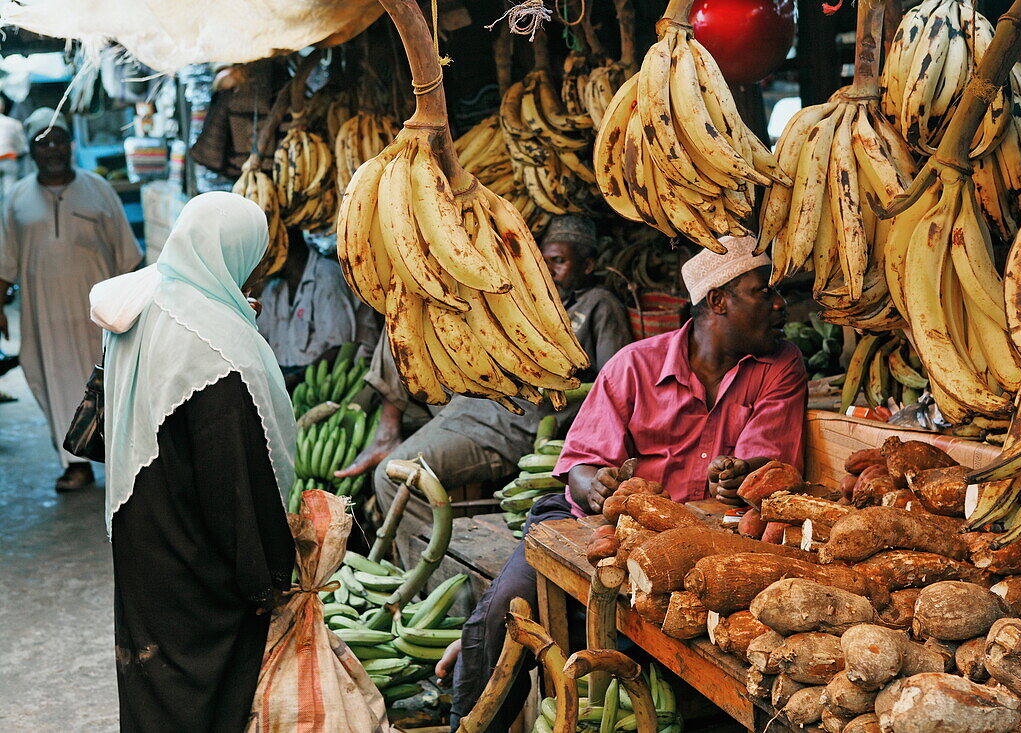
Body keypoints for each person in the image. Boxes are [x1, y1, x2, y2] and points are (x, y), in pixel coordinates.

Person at [447, 236, 809, 732]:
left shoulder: (780, 366)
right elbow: (579, 466)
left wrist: (740, 480)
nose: (779, 303)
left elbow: (765, 466)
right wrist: (594, 485)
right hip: (595, 528)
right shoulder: (634, 366)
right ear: (718, 301)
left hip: (705, 545)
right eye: (762, 292)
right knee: (502, 614)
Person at [90, 192, 296, 732]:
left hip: (143, 524)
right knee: (200, 686)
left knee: (153, 672)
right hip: (191, 543)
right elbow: (233, 487)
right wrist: (267, 578)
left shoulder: (152, 296)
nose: (251, 280)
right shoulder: (216, 352)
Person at [336, 215, 633, 546]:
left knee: (391, 476)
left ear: (588, 265)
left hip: (507, 426)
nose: (547, 270)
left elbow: (613, 388)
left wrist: (555, 388)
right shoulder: (524, 298)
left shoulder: (599, 305)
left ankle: (437, 571)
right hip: (470, 400)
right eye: (543, 261)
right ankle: (386, 431)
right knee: (407, 309)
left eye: (559, 262)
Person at [0, 108, 143, 491]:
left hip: (100, 314)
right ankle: (75, 463)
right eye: (42, 142)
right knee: (53, 380)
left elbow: (130, 255)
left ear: (70, 143)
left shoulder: (99, 190)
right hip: (42, 316)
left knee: (113, 381)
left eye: (58, 139)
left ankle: (124, 462)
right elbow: (5, 261)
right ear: (30, 150)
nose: (52, 149)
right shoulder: (15, 198)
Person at [255, 227, 380, 385]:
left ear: (287, 248)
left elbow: (340, 349)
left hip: (335, 380)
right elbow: (259, 337)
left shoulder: (327, 277)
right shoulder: (274, 289)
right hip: (291, 380)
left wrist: (295, 380)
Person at [0, 94, 25, 199]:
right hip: (9, 159)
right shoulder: (13, 123)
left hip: (8, 160)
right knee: (9, 194)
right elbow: (22, 146)